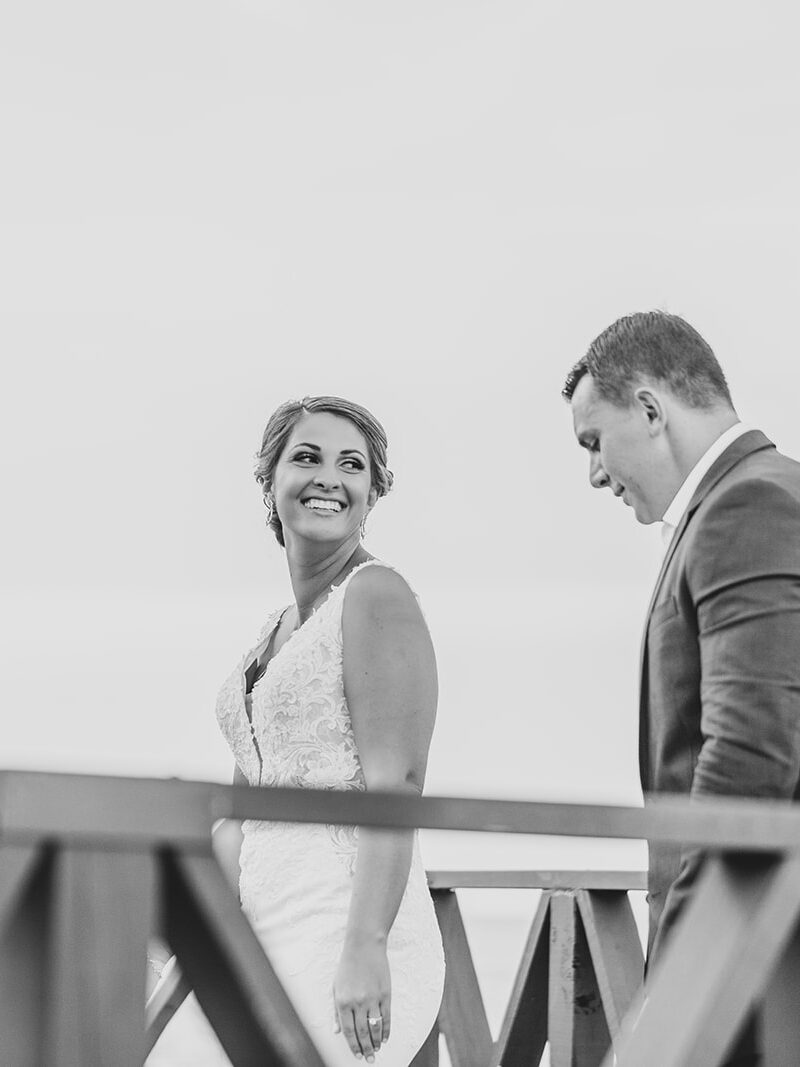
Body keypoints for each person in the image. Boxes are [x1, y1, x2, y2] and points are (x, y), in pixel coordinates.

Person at [149, 396, 445, 1066]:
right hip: (256, 934)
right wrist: (174, 917)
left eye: (352, 465)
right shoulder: (272, 634)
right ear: (270, 479)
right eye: (307, 457)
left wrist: (366, 946)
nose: (328, 478)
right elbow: (244, 817)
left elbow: (397, 784)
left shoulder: (377, 594)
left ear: (373, 493)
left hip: (346, 930)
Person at [563, 311, 800, 1066]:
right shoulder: (762, 494)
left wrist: (680, 979)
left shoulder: (747, 506)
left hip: (753, 966)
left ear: (650, 409)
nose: (595, 473)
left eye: (593, 442)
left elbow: (750, 759)